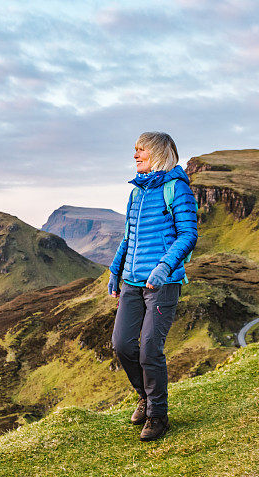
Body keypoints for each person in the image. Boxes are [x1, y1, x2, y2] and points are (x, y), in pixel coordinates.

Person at [108, 131, 198, 442]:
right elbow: (128, 237)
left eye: (141, 151)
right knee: (122, 344)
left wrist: (163, 267)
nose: (135, 156)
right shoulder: (136, 193)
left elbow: (188, 235)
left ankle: (158, 415)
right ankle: (144, 398)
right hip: (132, 283)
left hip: (163, 285)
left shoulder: (177, 190)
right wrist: (115, 271)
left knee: (149, 350)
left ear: (157, 154)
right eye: (135, 151)